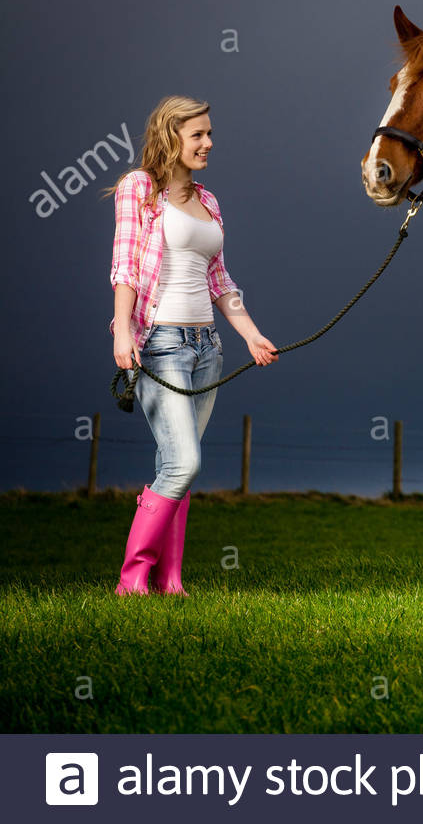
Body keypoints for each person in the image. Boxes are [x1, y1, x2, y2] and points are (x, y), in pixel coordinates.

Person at [103, 95, 278, 596]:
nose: (208, 142)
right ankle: (132, 578)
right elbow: (126, 267)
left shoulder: (209, 201)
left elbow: (220, 280)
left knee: (174, 465)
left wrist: (250, 334)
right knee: (184, 463)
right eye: (197, 134)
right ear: (169, 137)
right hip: (161, 343)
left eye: (210, 133)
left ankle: (170, 579)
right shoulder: (139, 189)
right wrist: (121, 330)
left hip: (207, 347)